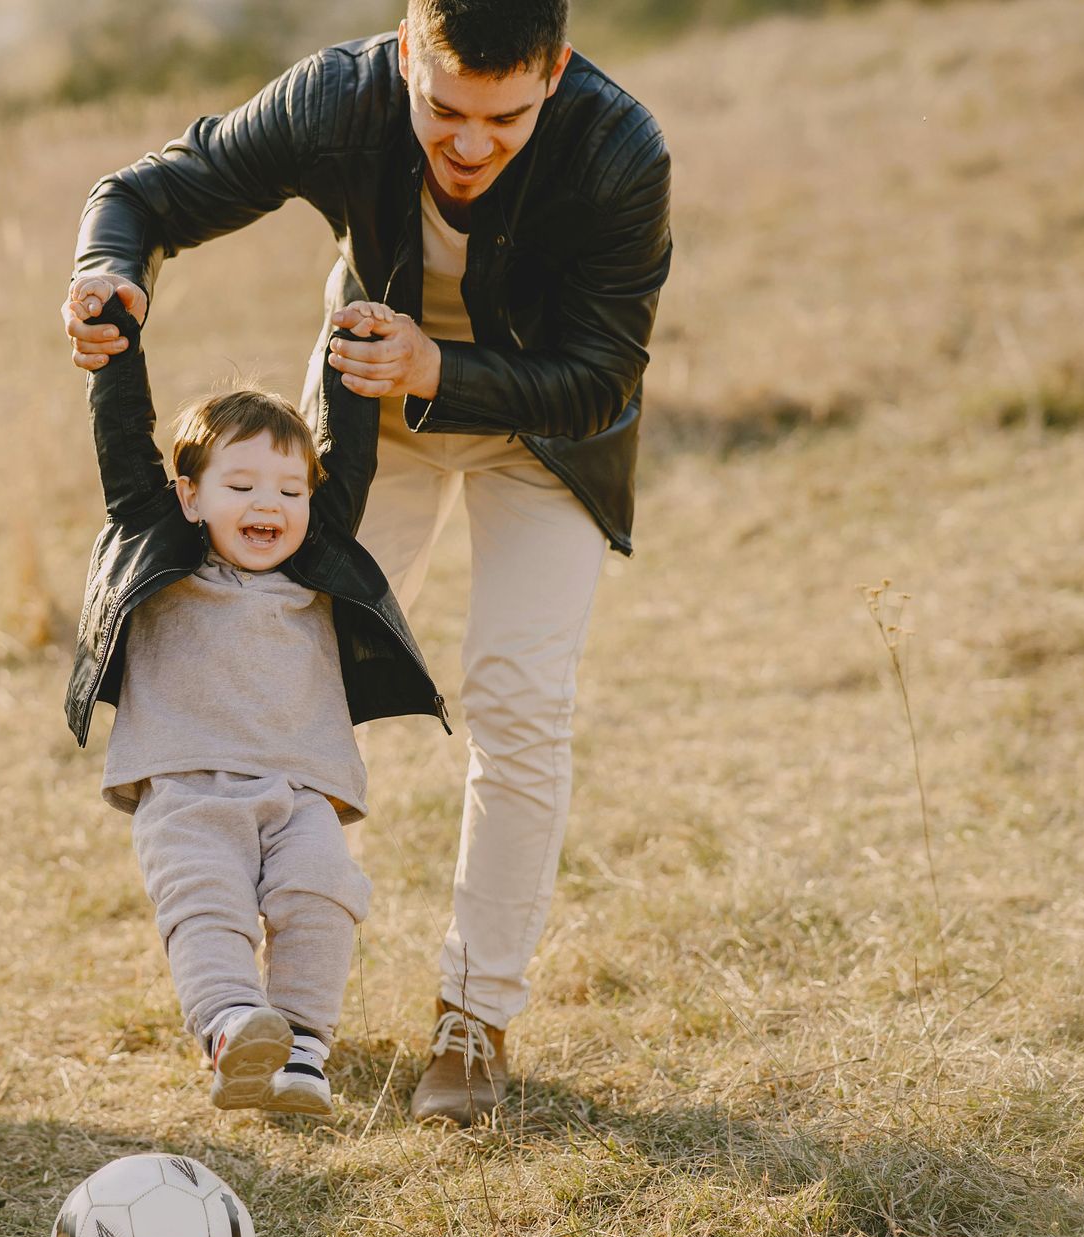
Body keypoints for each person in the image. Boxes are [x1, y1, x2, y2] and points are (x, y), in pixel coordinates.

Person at [62, 0, 671, 1124]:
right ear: (403, 57)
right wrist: (111, 273)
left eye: (507, 116)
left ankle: (474, 1017)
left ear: (558, 73)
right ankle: (251, 1001)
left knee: (517, 697)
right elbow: (144, 193)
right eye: (444, 109)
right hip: (362, 426)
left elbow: (602, 375)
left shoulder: (619, 148)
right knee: (287, 664)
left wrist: (441, 363)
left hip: (546, 435)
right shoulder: (337, 99)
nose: (472, 144)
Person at [67, 294, 445, 1116]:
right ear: (190, 496)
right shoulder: (159, 545)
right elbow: (124, 445)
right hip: (186, 787)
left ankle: (304, 1048)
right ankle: (236, 1029)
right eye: (240, 485)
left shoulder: (318, 564)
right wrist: (115, 347)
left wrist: (355, 338)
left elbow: (350, 453)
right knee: (207, 904)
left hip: (302, 787)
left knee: (320, 896)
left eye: (288, 490)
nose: (268, 506)